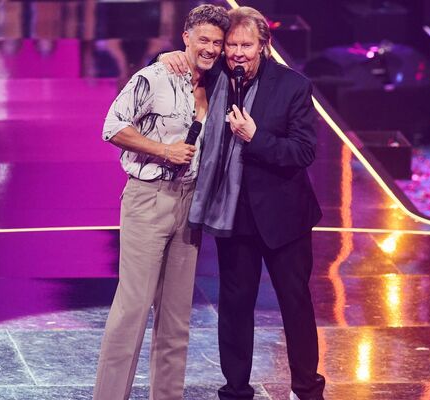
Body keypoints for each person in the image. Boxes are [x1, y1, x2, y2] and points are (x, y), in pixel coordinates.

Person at [159, 6, 325, 400]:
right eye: (231, 45)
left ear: (263, 46)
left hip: (284, 218)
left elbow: (303, 152)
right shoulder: (214, 78)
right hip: (232, 215)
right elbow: (182, 63)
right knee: (234, 306)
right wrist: (165, 56)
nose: (236, 52)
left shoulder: (293, 86)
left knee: (295, 304)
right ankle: (235, 389)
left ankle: (307, 387)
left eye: (245, 45)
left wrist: (256, 137)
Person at [92, 5, 229, 400]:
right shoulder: (154, 76)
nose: (210, 48)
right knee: (132, 311)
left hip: (190, 206)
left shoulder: (218, 83)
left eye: (217, 43)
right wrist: (162, 150)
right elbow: (112, 126)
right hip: (147, 201)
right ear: (185, 37)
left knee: (176, 318)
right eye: (203, 39)